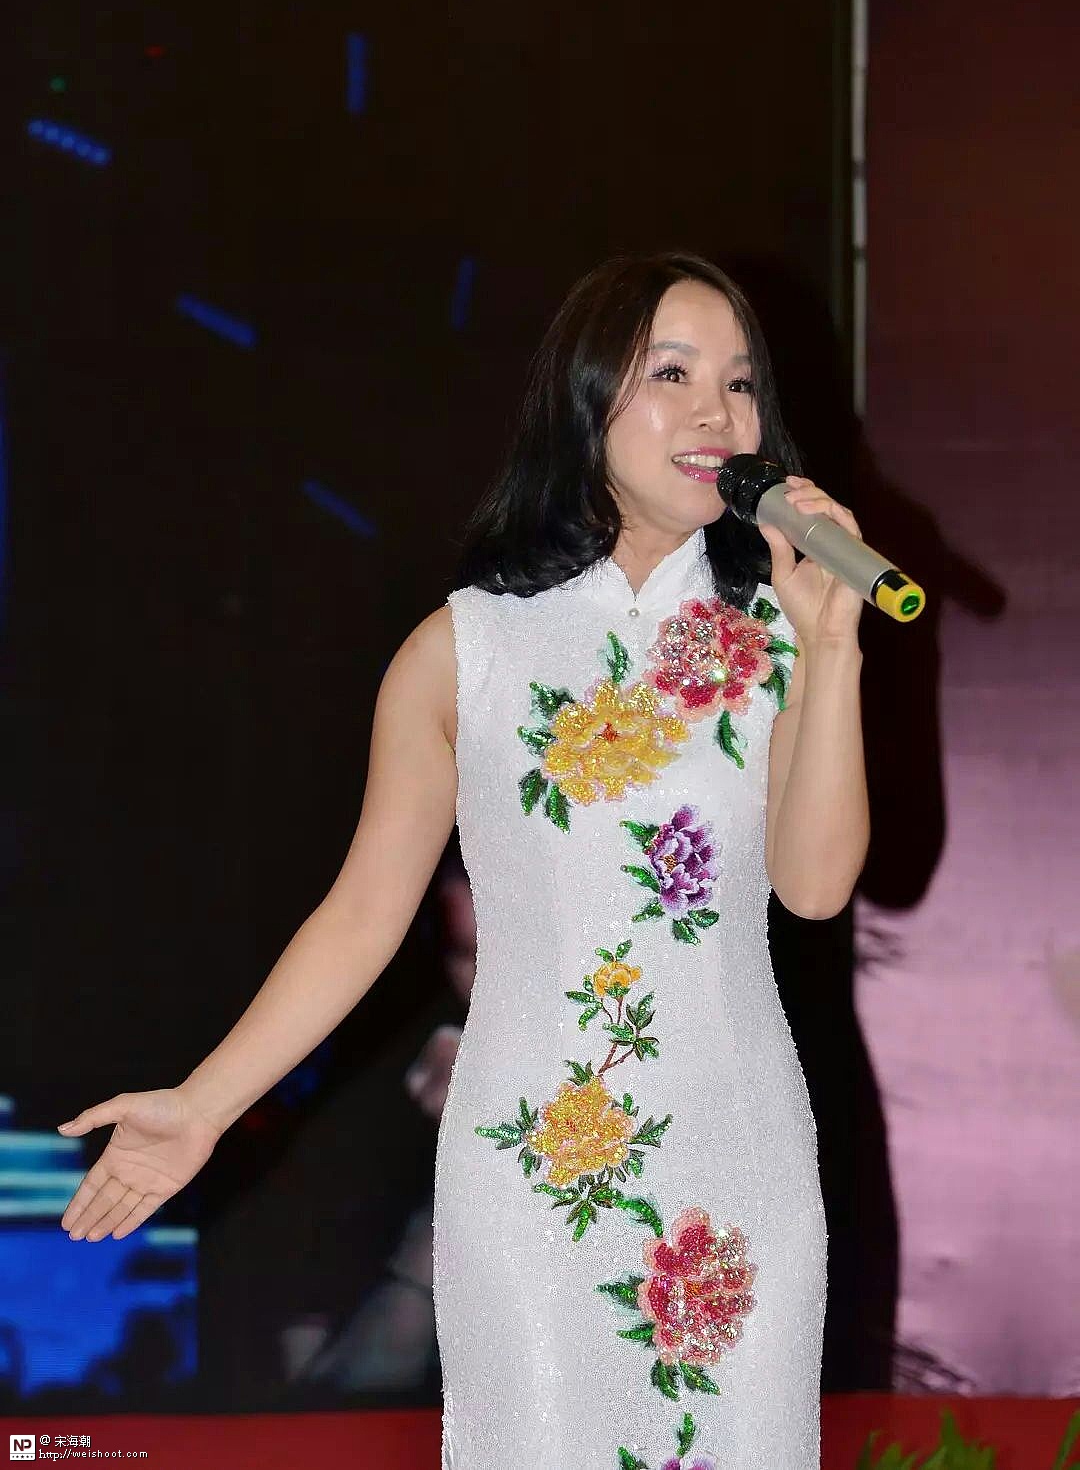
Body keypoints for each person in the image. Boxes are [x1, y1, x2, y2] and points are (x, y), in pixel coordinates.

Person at [56, 252, 870, 1468]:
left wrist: (834, 649)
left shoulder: (776, 637)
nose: (717, 412)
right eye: (673, 373)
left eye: (741, 384)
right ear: (585, 402)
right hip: (534, 1166)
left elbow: (814, 883)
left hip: (737, 1160)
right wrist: (202, 1104)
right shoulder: (466, 650)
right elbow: (363, 913)